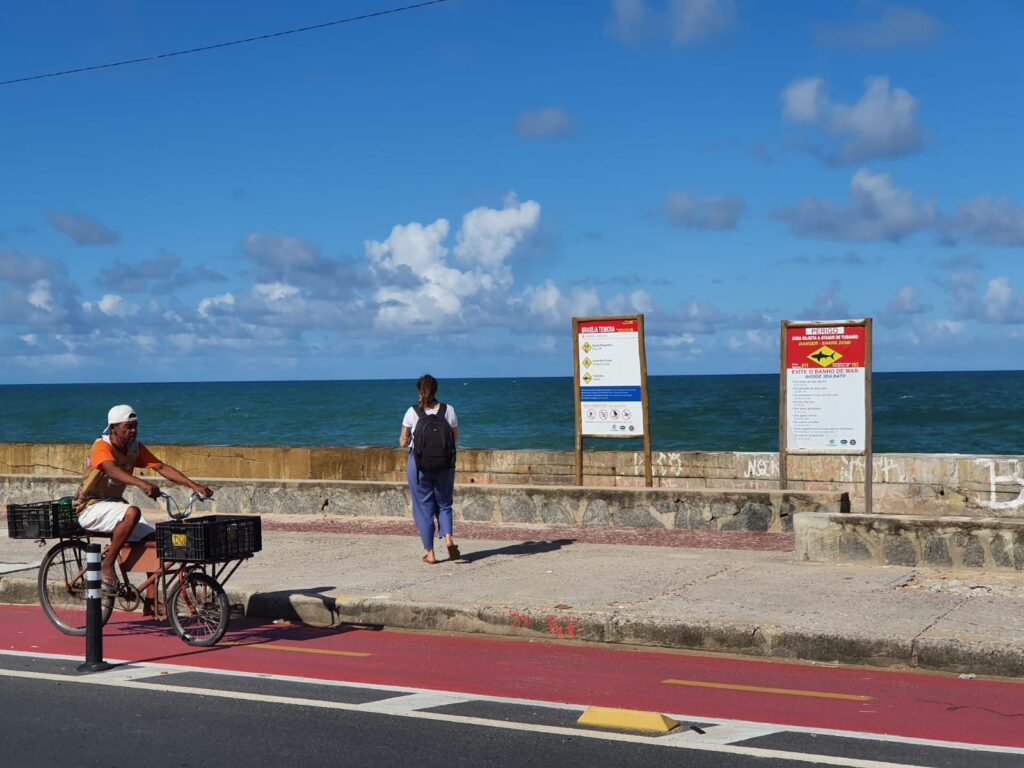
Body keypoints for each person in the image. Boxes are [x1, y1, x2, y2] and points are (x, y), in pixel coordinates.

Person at [73, 404, 213, 593]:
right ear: (113, 428)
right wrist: (141, 483)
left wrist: (193, 485)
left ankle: (151, 597)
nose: (133, 430)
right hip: (89, 507)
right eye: (127, 427)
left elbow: (161, 467)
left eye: (135, 426)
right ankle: (108, 563)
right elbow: (111, 469)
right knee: (132, 512)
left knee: (153, 538)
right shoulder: (102, 446)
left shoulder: (134, 448)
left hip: (112, 507)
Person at [399, 375, 460, 564]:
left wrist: (410, 439)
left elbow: (403, 442)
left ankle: (430, 553)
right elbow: (454, 439)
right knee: (444, 503)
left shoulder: (412, 412)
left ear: (419, 391)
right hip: (444, 465)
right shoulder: (448, 410)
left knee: (423, 507)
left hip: (419, 466)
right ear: (436, 390)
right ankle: (448, 538)